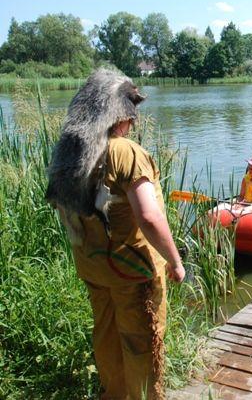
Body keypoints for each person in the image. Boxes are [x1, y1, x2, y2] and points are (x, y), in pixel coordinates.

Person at [45, 69, 185, 399]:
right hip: (132, 272)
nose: (133, 123)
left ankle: (114, 395)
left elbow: (61, 206)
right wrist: (176, 261)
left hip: (93, 268)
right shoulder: (125, 152)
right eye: (132, 115)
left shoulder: (71, 153)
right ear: (121, 115)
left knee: (106, 337)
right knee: (141, 343)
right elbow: (149, 217)